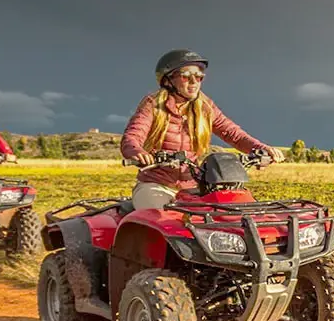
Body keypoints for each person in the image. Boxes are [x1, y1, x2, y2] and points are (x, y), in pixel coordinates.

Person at [120, 49, 287, 211]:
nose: (194, 81)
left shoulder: (205, 107)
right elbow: (133, 135)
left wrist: (261, 149)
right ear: (168, 80)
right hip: (156, 186)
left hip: (194, 187)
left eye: (199, 76)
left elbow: (232, 134)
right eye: (186, 76)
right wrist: (137, 152)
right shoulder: (153, 104)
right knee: (160, 218)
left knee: (234, 214)